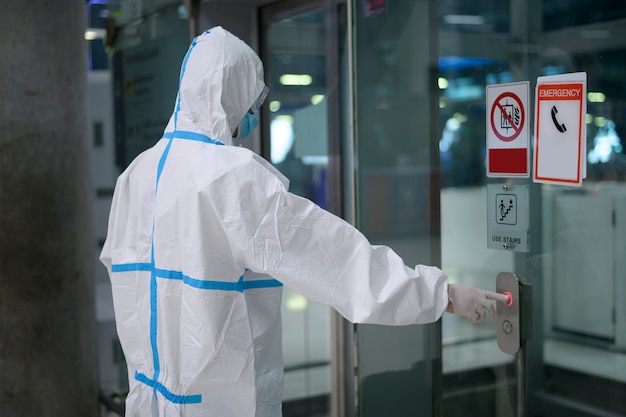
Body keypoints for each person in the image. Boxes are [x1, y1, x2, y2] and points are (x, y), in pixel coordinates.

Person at [100, 26, 504, 417]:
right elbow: (335, 260)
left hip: (150, 403)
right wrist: (442, 294)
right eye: (252, 104)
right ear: (233, 95)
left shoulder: (136, 175)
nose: (252, 116)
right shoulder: (229, 177)